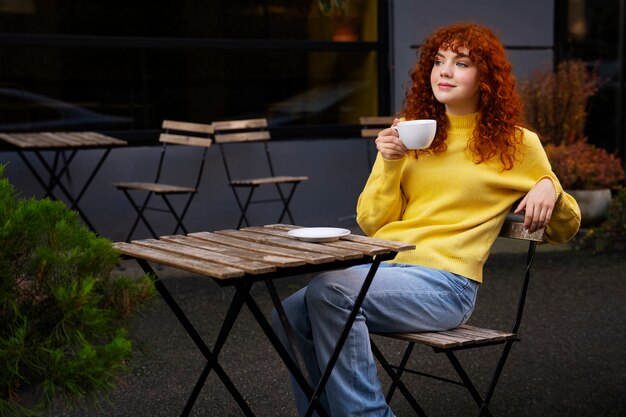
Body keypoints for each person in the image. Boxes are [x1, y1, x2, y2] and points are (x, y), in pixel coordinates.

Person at [272, 22, 581, 417]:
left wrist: (549, 187)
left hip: (447, 287)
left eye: (461, 63)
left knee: (330, 292)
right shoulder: (412, 134)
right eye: (438, 61)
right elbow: (372, 222)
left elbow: (564, 229)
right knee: (287, 314)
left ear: (485, 77)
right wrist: (388, 162)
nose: (445, 71)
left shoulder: (517, 144)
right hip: (387, 269)